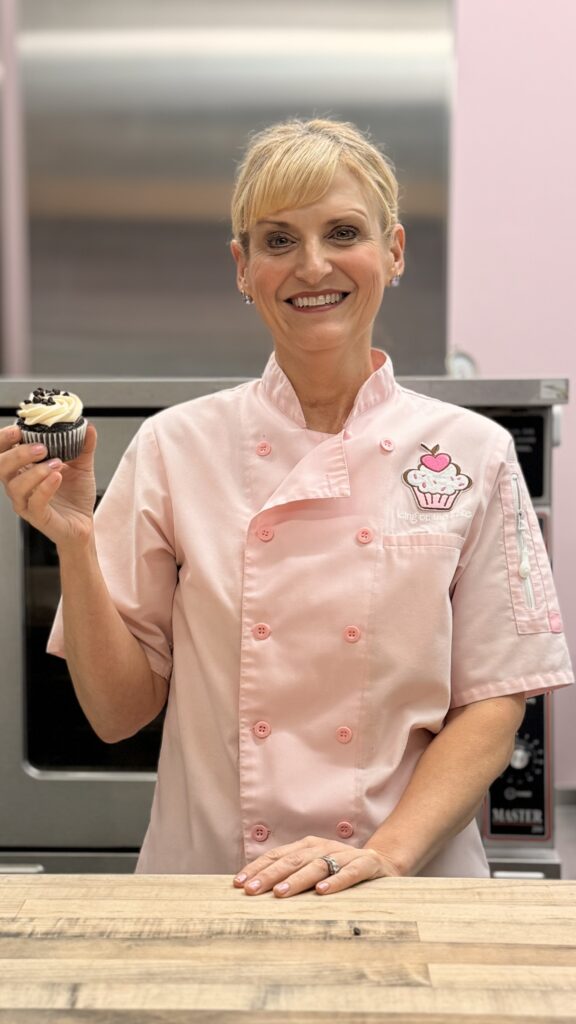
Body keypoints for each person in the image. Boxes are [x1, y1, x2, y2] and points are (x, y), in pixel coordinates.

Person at [0, 119, 572, 897]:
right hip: (214, 882)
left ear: (394, 251)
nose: (313, 266)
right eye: (277, 241)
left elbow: (493, 702)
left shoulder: (473, 453)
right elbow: (117, 713)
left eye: (343, 232)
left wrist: (387, 854)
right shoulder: (177, 447)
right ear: (243, 267)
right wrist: (73, 542)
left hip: (406, 882)